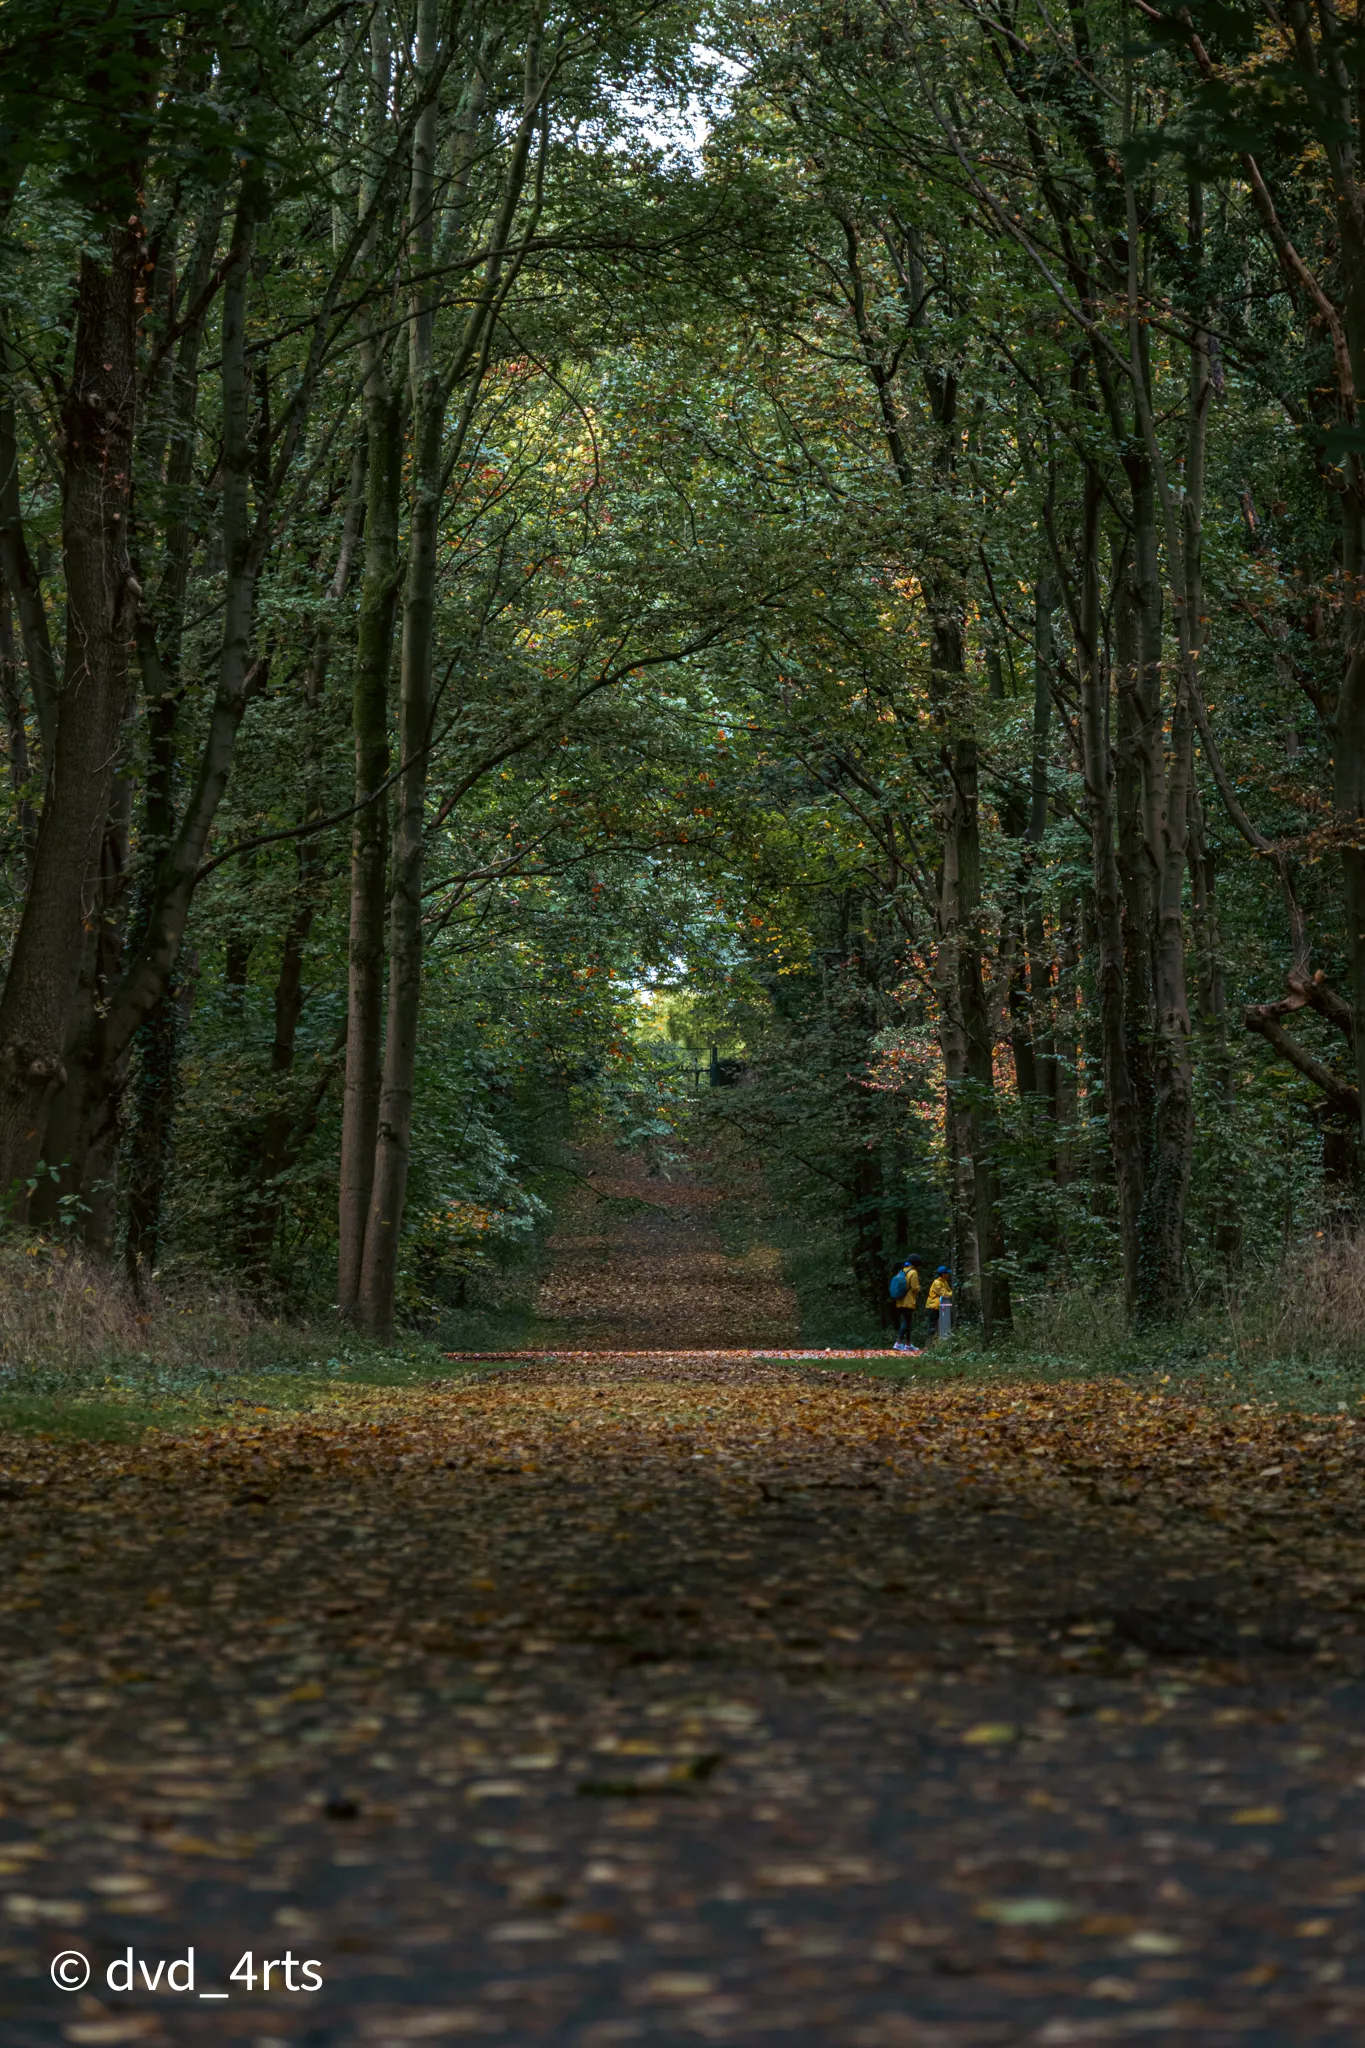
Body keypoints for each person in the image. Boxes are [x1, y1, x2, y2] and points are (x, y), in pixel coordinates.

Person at [889, 1255, 923, 1352]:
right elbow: (915, 1288)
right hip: (908, 1301)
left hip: (900, 1300)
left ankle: (908, 1344)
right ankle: (898, 1343)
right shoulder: (913, 1273)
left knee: (908, 1322)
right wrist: (919, 1289)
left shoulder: (903, 1271)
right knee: (906, 1321)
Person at [924, 1266, 953, 1341]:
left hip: (940, 1306)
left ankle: (937, 1341)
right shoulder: (937, 1283)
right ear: (943, 1274)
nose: (948, 1275)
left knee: (940, 1324)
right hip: (933, 1306)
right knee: (932, 1324)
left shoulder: (944, 1282)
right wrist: (951, 1293)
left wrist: (950, 1293)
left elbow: (949, 1291)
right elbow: (944, 1294)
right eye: (947, 1273)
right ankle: (930, 1342)